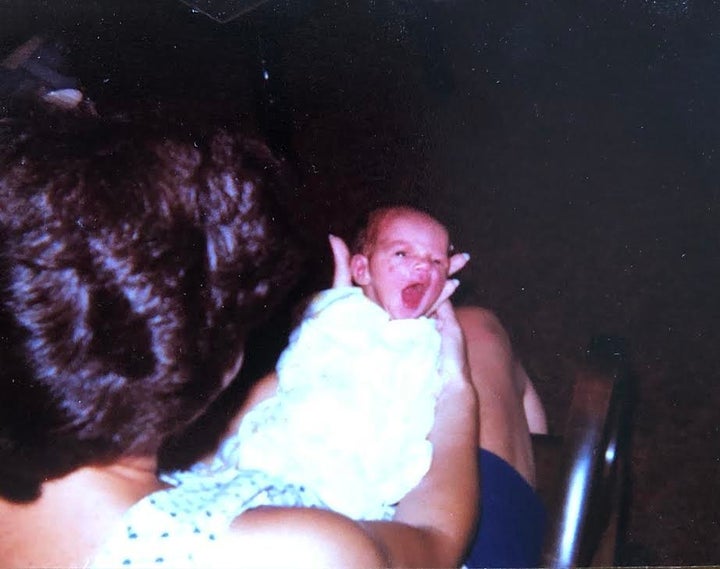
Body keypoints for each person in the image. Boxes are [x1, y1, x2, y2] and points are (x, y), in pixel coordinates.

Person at [0, 108, 479, 568]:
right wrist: (457, 383)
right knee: (485, 335)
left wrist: (322, 350)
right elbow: (435, 542)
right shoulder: (303, 550)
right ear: (221, 369)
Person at [173, 206, 469, 521]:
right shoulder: (341, 312)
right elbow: (304, 352)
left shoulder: (430, 337)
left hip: (363, 487)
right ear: (362, 270)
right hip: (287, 458)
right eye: (401, 254)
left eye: (437, 261)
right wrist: (327, 310)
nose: (423, 264)